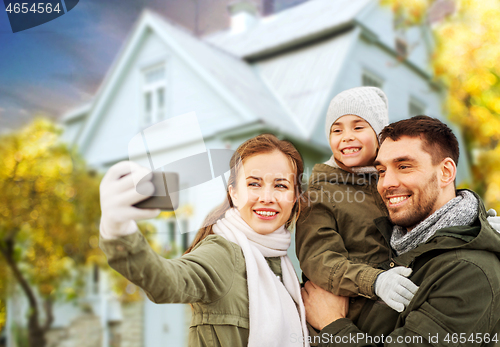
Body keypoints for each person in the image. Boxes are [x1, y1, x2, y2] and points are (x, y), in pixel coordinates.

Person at [301, 116, 500, 346]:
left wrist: (331, 324)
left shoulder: (470, 272)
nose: (386, 183)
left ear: (446, 172)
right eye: (381, 171)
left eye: (404, 166)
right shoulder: (396, 243)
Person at [99, 134, 310, 347]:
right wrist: (119, 229)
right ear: (234, 194)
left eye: (281, 186)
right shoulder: (222, 253)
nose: (267, 197)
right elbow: (167, 281)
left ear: (294, 197)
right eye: (254, 184)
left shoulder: (287, 270)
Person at [296, 87, 418, 324]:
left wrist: (474, 221)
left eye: (358, 127)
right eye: (336, 130)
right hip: (353, 319)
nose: (346, 136)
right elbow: (319, 259)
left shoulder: (389, 182)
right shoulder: (322, 192)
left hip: (401, 313)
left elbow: (429, 209)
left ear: (379, 134)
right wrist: (374, 281)